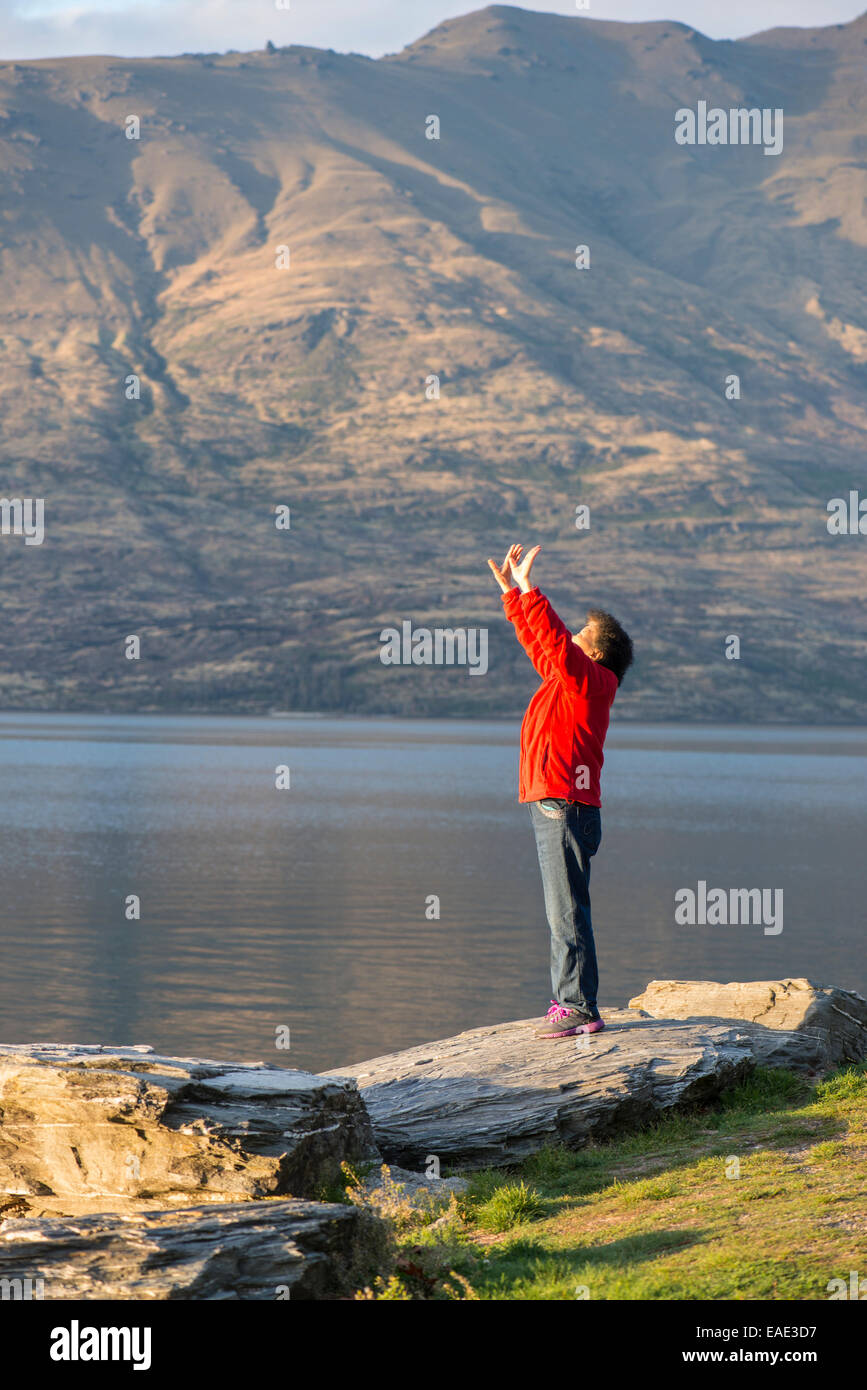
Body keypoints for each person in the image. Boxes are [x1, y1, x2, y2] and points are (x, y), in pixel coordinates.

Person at [487, 544, 634, 1039]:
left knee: (566, 912)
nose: (569, 638)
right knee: (564, 910)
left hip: (564, 806)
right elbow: (542, 645)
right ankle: (573, 1003)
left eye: (580, 636)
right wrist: (513, 596)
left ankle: (578, 1007)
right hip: (559, 804)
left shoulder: (593, 681)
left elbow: (553, 643)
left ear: (593, 652)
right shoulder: (571, 680)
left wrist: (532, 590)